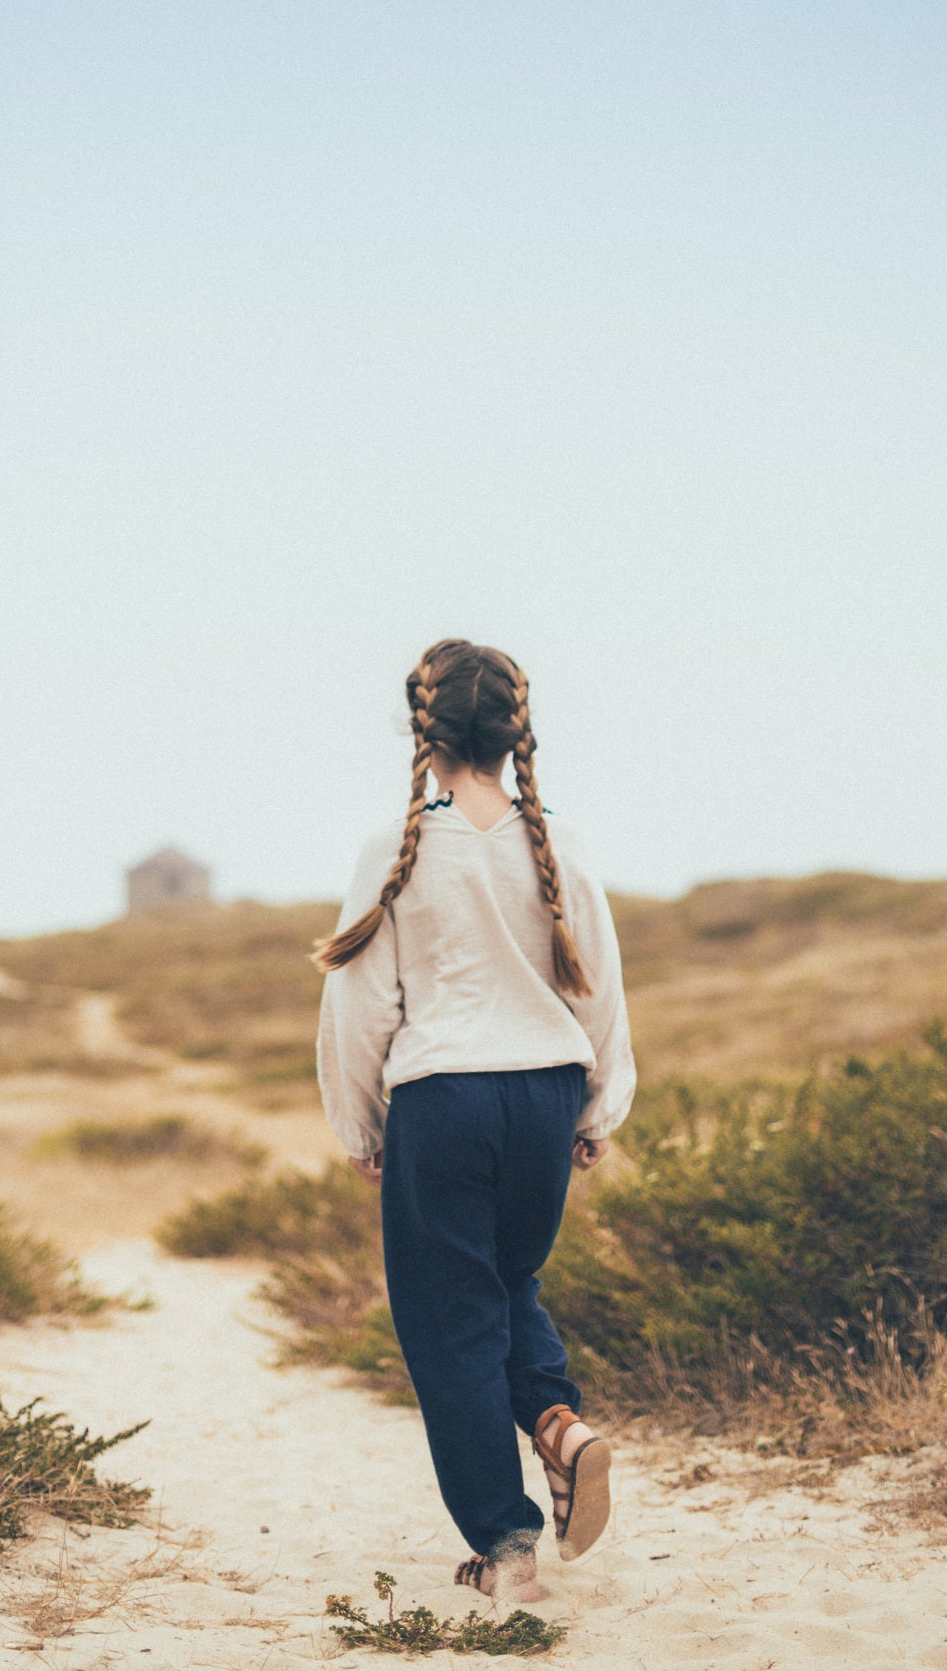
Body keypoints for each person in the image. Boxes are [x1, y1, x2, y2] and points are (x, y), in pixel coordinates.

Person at [314, 639, 636, 1603]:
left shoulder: (396, 847)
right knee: (508, 1281)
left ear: (423, 728)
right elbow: (602, 986)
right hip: (542, 1094)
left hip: (443, 1101)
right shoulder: (560, 842)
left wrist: (363, 1128)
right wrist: (597, 1103)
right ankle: (556, 1425)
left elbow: (359, 1008)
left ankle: (507, 1549)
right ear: (514, 732)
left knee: (448, 1323)